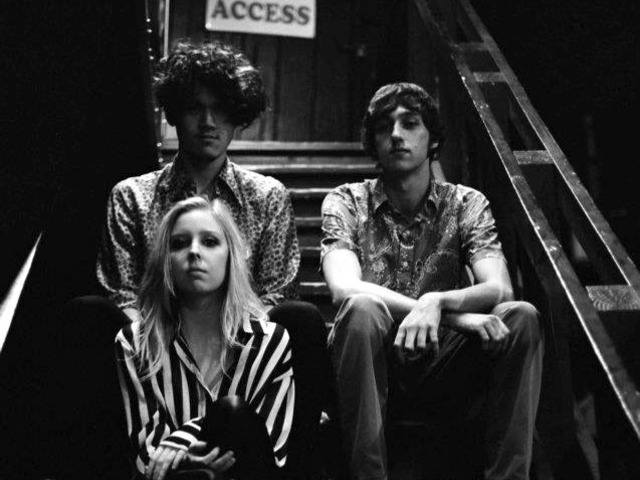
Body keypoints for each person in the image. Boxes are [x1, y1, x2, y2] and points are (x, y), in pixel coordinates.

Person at [75, 40, 328, 478]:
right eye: (195, 108)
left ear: (239, 115)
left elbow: (276, 294)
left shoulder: (266, 196)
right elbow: (123, 295)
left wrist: (220, 339)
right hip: (152, 355)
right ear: (174, 113)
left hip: (243, 354)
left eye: (221, 110)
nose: (208, 122)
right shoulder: (133, 196)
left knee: (301, 319)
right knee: (89, 315)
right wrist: (174, 346)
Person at [321, 83, 544, 480]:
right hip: (372, 359)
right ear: (373, 141)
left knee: (521, 316)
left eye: (410, 124)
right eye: (384, 127)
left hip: (445, 361)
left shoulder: (465, 202)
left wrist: (437, 302)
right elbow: (343, 287)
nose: (396, 135)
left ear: (433, 138)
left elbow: (499, 287)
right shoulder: (346, 200)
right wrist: (454, 316)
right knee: (361, 308)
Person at [116, 196, 295, 480]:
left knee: (233, 411)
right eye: (179, 244)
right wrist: (191, 463)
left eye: (210, 241)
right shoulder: (134, 342)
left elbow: (266, 442)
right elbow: (150, 454)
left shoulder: (270, 342)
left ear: (231, 255)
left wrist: (184, 436)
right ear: (165, 260)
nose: (194, 252)